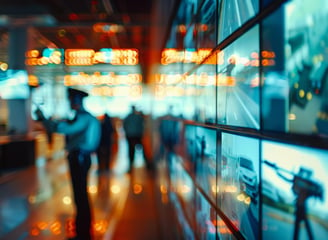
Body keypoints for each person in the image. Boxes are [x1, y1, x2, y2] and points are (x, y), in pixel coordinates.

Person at [35, 88, 101, 240]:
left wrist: (44, 120)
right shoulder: (84, 117)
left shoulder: (83, 118)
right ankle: (82, 231)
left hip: (80, 157)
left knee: (80, 195)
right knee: (80, 194)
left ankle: (83, 233)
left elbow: (64, 128)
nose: (70, 103)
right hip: (80, 157)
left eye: (72, 99)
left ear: (77, 101)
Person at [123, 105, 149, 173]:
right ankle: (147, 165)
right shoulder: (137, 117)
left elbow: (125, 125)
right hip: (136, 135)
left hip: (132, 136)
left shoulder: (129, 117)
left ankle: (132, 166)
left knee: (131, 151)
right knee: (138, 150)